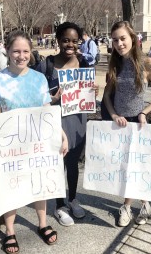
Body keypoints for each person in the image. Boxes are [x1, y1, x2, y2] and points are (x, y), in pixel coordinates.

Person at [0, 30, 68, 253]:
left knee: (39, 184)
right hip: (8, 148)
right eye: (16, 51)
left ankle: (43, 223)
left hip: (37, 144)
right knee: (10, 188)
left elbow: (46, 111)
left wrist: (61, 133)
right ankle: (10, 231)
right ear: (7, 52)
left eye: (26, 51)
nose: (21, 55)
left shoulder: (39, 79)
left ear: (31, 52)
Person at [103, 21, 151, 227]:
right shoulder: (115, 63)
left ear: (133, 38)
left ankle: (127, 207)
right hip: (120, 123)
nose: (119, 43)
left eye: (123, 38)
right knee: (125, 167)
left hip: (139, 122)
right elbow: (106, 96)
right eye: (115, 40)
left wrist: (144, 112)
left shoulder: (147, 63)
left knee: (135, 167)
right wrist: (113, 115)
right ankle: (144, 203)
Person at [36, 22, 99, 227]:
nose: (70, 44)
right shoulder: (47, 64)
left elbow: (88, 92)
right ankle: (59, 205)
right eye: (65, 40)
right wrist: (52, 99)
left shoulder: (84, 63)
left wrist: (93, 92)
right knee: (56, 164)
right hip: (55, 120)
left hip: (78, 119)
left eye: (74, 41)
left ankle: (72, 199)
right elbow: (37, 95)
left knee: (72, 164)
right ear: (58, 41)